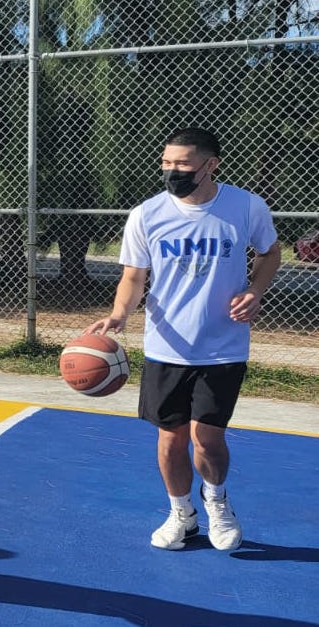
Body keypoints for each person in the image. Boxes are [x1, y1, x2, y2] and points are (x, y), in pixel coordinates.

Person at [86, 127, 279, 552]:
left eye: (183, 165)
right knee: (170, 437)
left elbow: (270, 253)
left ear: (211, 165)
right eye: (167, 163)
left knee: (206, 438)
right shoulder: (147, 214)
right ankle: (181, 513)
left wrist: (255, 291)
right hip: (165, 346)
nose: (172, 172)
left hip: (223, 345)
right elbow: (134, 277)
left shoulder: (246, 207)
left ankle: (216, 502)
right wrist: (120, 313)